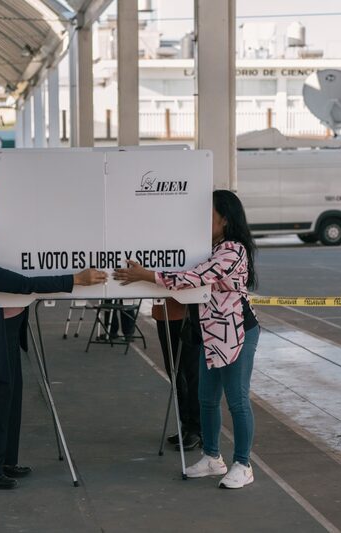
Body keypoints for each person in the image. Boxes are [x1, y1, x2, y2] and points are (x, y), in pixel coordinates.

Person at [0, 192, 106, 490]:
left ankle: (5, 460)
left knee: (13, 394)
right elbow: (22, 284)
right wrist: (74, 280)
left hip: (8, 327)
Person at [114, 190, 260, 490]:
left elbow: (194, 276)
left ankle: (243, 464)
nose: (201, 221)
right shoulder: (209, 246)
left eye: (208, 215)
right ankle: (212, 457)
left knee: (237, 400)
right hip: (210, 333)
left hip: (236, 332)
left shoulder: (233, 250)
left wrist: (146, 275)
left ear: (225, 219)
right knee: (206, 399)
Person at [153, 298, 202, 451]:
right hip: (164, 313)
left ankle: (196, 427)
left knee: (190, 374)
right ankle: (186, 423)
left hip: (187, 313)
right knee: (174, 372)